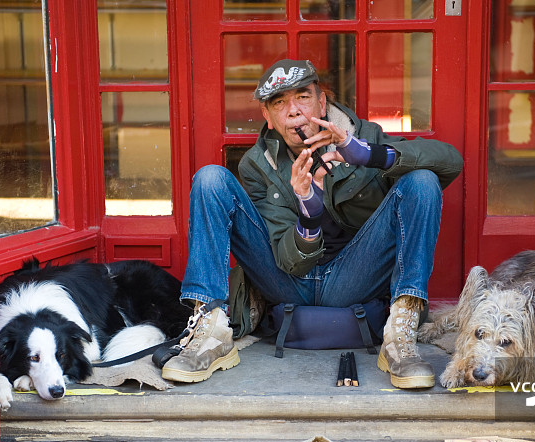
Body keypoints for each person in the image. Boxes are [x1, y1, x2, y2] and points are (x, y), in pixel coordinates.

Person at [161, 59, 463, 389]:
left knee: (421, 180)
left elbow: (451, 161)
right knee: (210, 179)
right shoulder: (257, 165)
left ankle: (400, 332)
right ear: (268, 117)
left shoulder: (363, 136)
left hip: (355, 279)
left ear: (322, 102)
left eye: (302, 97)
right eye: (279, 103)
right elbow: (288, 262)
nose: (293, 111)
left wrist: (366, 155)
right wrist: (309, 210)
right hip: (288, 281)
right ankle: (211, 329)